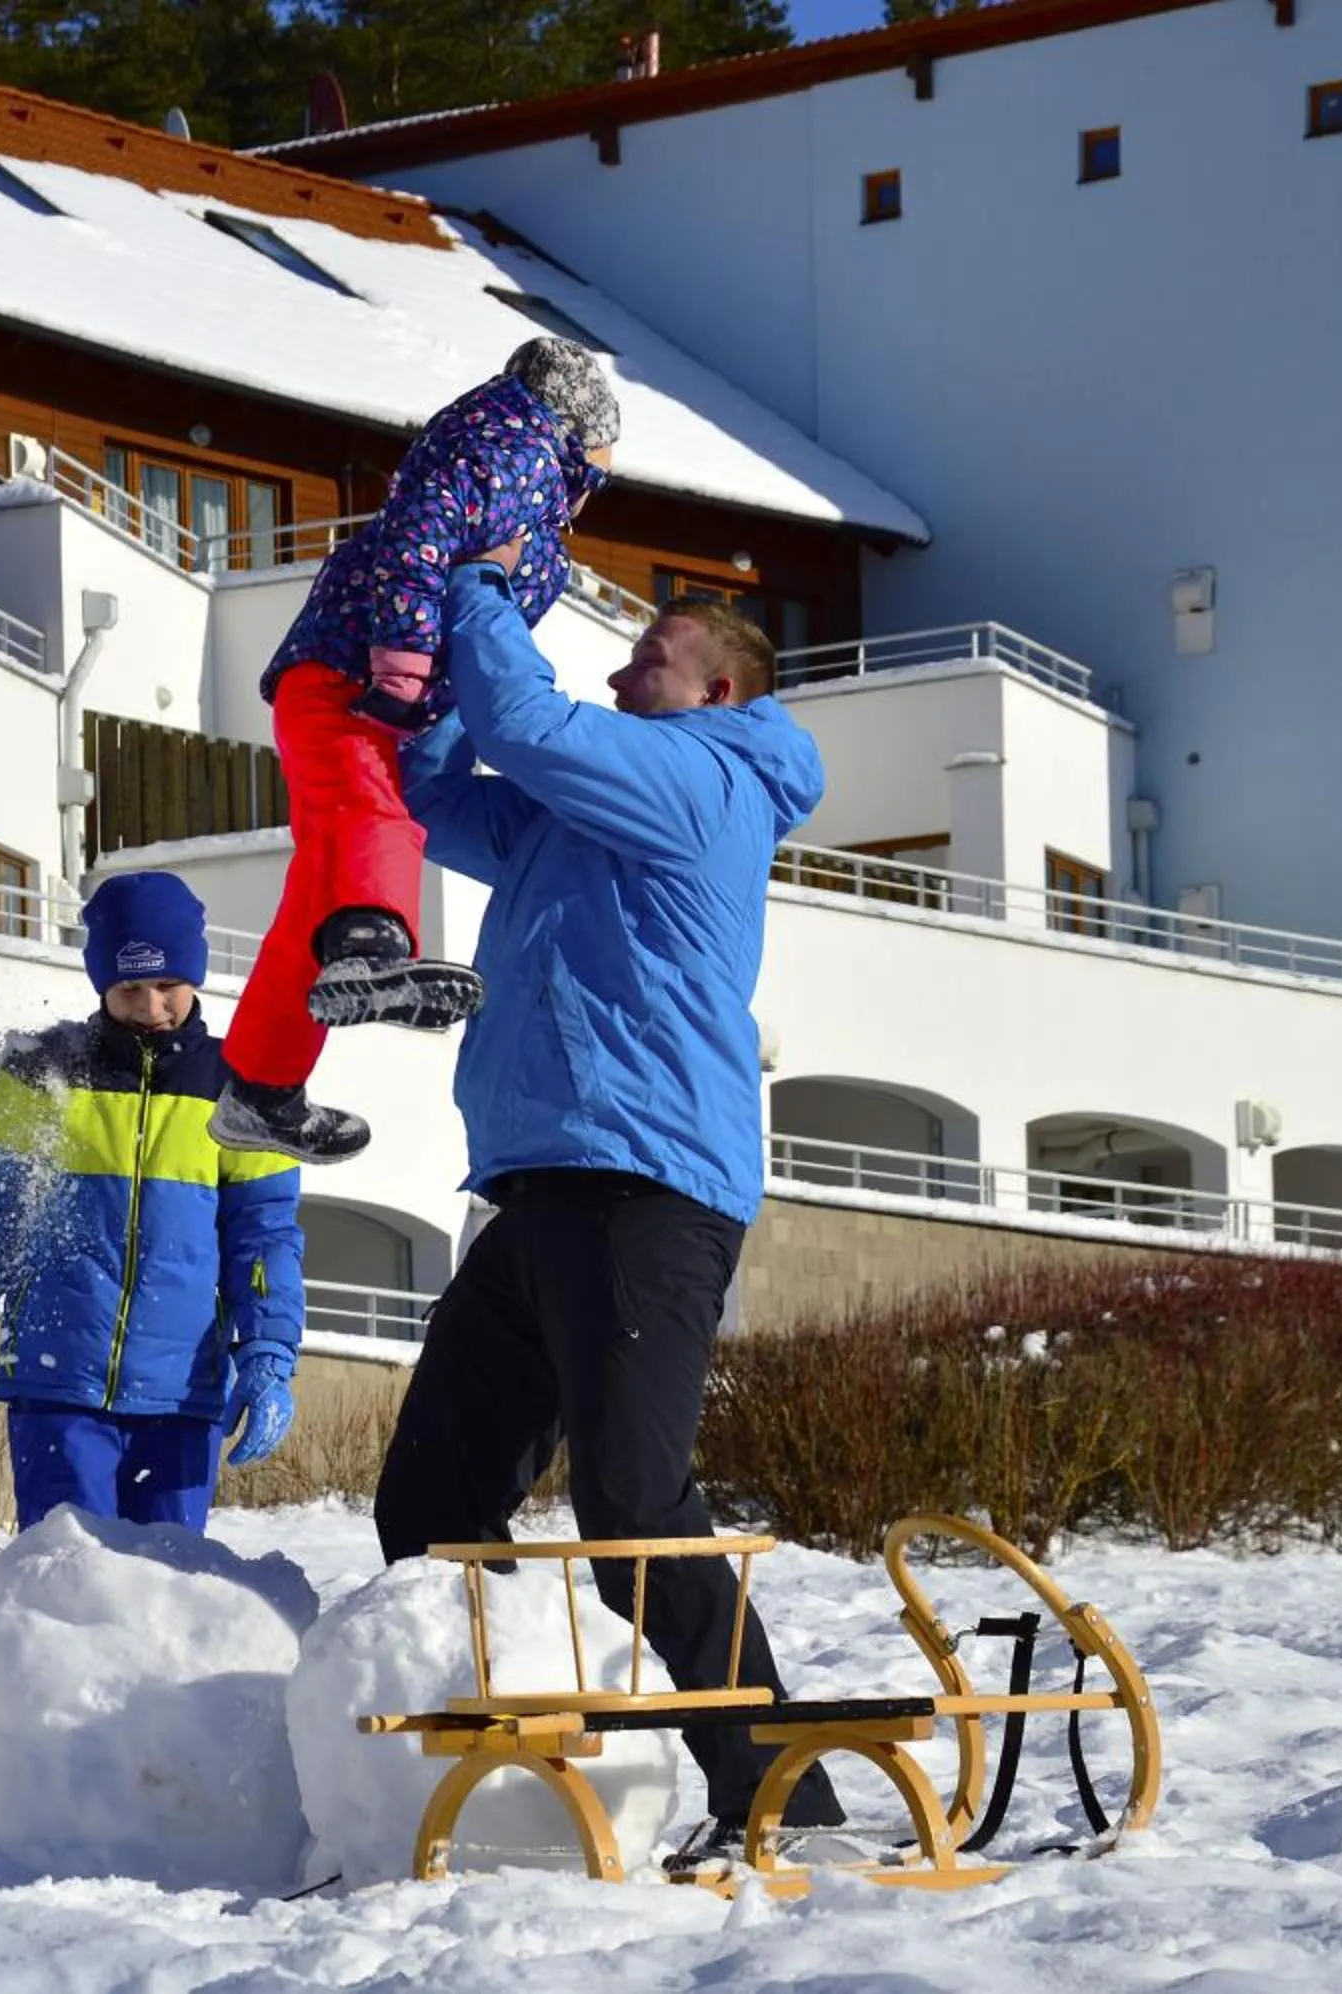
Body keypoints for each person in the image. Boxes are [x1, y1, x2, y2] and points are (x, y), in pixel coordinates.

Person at [372, 548, 850, 1857]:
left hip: (649, 1190)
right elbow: (435, 790)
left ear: (718, 685)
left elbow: (529, 719)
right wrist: (415, 682)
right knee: (430, 1508)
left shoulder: (707, 780)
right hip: (537, 1191)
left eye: (650, 655)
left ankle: (786, 1797)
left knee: (635, 1507)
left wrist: (478, 595)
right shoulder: (585, 810)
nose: (621, 665)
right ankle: (507, 1776)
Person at [209, 336, 620, 1167]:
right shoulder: (512, 454)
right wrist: (401, 661)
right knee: (374, 819)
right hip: (346, 679)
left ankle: (261, 1086)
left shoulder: (533, 510)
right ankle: (372, 949)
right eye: (607, 465)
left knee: (311, 906)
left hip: (376, 698)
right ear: (579, 436)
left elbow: (478, 629)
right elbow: (417, 542)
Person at [0, 870, 307, 1530]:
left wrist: (267, 1357)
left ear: (196, 976)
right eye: (129, 987)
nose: (150, 1008)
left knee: (167, 1607)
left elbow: (264, 1240)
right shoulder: (45, 1072)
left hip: (180, 1396)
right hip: (59, 1390)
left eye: (167, 986)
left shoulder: (242, 1085)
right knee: (68, 1599)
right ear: (100, 982)